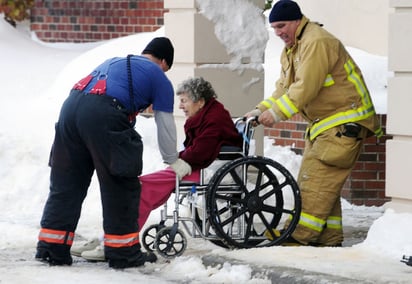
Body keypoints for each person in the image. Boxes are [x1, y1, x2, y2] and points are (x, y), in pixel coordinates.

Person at [35, 37, 190, 269]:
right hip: (103, 113)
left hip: (70, 110)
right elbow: (165, 124)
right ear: (165, 62)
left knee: (67, 183)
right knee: (121, 184)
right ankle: (123, 254)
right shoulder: (159, 77)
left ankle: (51, 248)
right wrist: (173, 160)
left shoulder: (115, 61)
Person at [246, 0, 382, 247]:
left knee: (313, 182)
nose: (278, 32)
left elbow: (305, 87)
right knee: (324, 184)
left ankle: (298, 236)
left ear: (297, 20)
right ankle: (328, 238)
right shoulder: (293, 48)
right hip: (328, 126)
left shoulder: (316, 42)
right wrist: (260, 110)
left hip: (343, 124)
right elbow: (283, 88)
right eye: (274, 28)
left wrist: (275, 115)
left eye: (282, 26)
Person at [75, 76, 244, 261]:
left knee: (142, 189)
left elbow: (202, 150)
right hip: (200, 167)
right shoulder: (207, 114)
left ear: (200, 101)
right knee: (140, 187)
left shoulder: (214, 119)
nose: (180, 106)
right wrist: (180, 159)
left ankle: (117, 243)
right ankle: (108, 237)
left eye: (184, 101)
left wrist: (179, 159)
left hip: (207, 170)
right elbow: (197, 150)